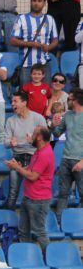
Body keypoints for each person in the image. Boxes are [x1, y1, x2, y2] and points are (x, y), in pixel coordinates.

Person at [5, 127, 55, 251]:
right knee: (23, 231)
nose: (31, 136)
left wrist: (17, 168)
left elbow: (33, 176)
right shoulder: (39, 150)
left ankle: (50, 257)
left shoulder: (45, 154)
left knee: (39, 231)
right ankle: (26, 257)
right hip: (29, 197)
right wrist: (19, 166)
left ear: (39, 137)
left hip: (39, 200)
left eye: (33, 134)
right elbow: (31, 169)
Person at [5, 90, 48, 209]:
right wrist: (11, 143)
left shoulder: (38, 118)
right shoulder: (10, 120)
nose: (12, 104)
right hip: (17, 157)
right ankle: (8, 219)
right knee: (13, 191)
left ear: (24, 103)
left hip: (34, 158)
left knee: (34, 191)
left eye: (15, 101)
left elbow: (46, 142)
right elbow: (5, 142)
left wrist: (33, 142)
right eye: (12, 101)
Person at [50, 89, 83, 219]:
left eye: (69, 99)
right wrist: (53, 125)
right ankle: (59, 222)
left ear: (76, 101)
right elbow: (57, 133)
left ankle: (79, 222)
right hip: (65, 160)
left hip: (80, 161)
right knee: (63, 194)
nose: (67, 101)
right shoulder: (68, 115)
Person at [11, 0, 58, 85]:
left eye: (39, 1)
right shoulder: (21, 18)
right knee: (25, 95)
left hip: (44, 63)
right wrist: (31, 44)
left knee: (44, 94)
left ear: (44, 3)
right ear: (31, 1)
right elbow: (13, 40)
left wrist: (48, 47)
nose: (36, 3)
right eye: (34, 1)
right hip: (26, 64)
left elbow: (55, 40)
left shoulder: (50, 19)